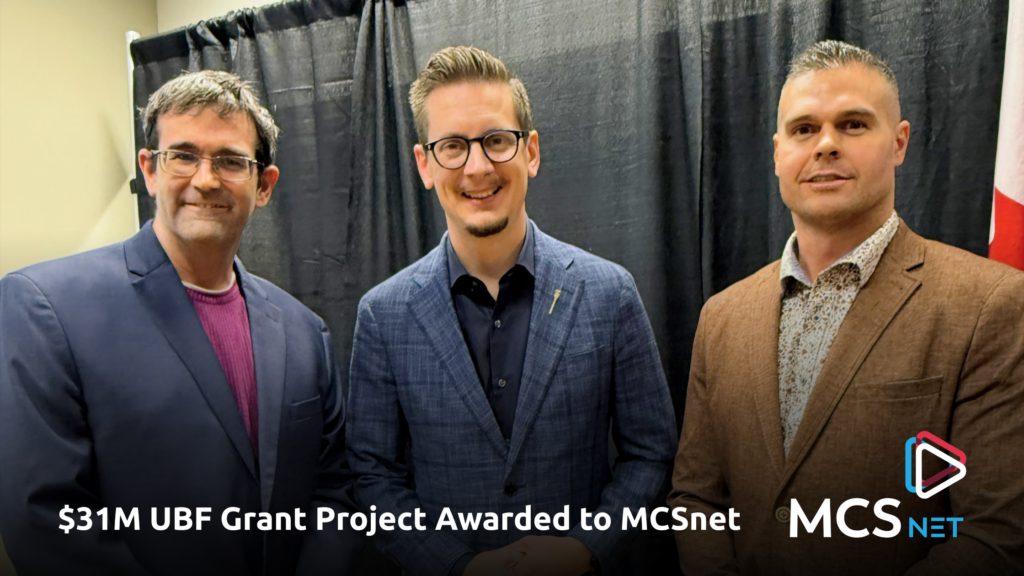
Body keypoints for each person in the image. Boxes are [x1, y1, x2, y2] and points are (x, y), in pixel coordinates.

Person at [668, 40, 1024, 575]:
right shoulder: (721, 316)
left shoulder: (988, 304)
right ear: (777, 152)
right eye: (804, 129)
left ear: (899, 142)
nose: (826, 144)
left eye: (854, 125)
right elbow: (697, 500)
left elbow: (996, 533)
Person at [0, 70, 362, 576]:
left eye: (231, 161)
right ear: (149, 170)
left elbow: (332, 495)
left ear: (264, 185)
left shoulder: (305, 333)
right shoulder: (45, 307)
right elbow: (45, 519)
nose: (206, 179)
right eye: (183, 155)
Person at [345, 46, 677, 576]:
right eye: (452, 146)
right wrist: (458, 566)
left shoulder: (610, 292)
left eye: (497, 141)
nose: (478, 167)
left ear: (532, 152)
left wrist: (586, 546)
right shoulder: (383, 315)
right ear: (424, 164)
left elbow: (651, 453)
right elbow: (373, 476)